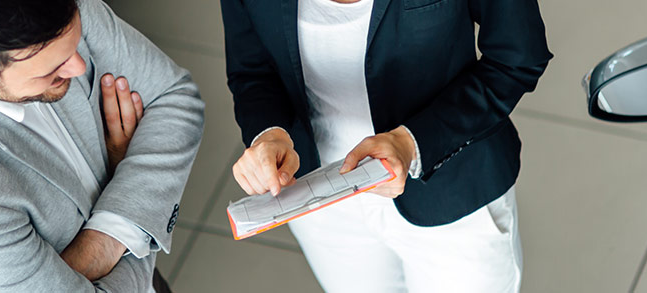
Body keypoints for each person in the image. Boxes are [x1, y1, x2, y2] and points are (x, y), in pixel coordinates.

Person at [222, 0, 552, 291]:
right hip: (321, 200)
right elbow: (252, 70)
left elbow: (517, 59)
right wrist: (269, 132)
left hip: (451, 192)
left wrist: (412, 141)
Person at [0, 0, 205, 291]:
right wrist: (131, 216)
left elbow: (175, 98)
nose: (78, 67)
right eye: (52, 70)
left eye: (75, 43)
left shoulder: (46, 10)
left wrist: (104, 238)